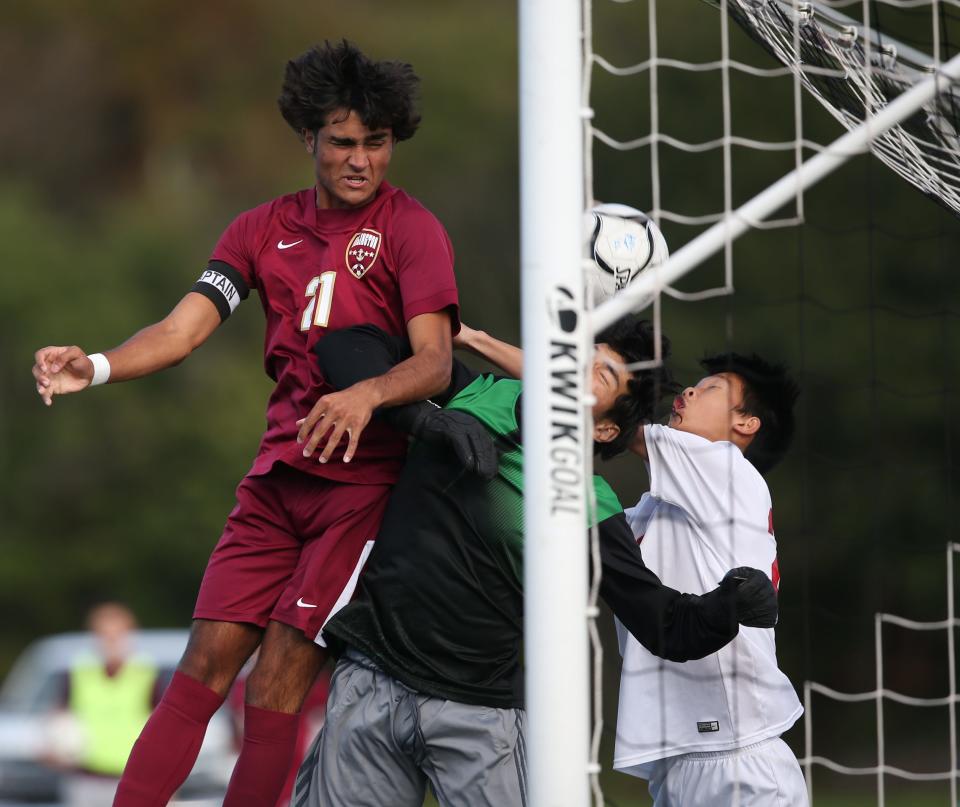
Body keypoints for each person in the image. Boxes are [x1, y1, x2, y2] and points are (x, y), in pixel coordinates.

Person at [30, 40, 459, 807]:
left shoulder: (412, 230)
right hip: (275, 480)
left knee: (277, 683)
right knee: (201, 667)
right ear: (309, 139)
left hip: (361, 493)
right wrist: (92, 365)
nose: (360, 160)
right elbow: (181, 330)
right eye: (342, 143)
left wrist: (366, 396)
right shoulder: (260, 229)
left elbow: (435, 362)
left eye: (376, 143)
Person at [292, 320, 780, 807]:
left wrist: (728, 605)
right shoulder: (476, 392)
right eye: (575, 358)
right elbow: (346, 344)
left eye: (600, 374)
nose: (572, 373)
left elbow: (665, 624)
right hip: (370, 681)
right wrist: (421, 418)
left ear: (607, 427)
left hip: (478, 718)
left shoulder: (591, 508)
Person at [614, 354, 807, 806]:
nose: (689, 392)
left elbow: (610, 417)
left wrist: (472, 343)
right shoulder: (650, 512)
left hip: (740, 759)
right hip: (678, 764)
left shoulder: (726, 467)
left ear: (746, 423)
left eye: (712, 388)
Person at [56, 604, 159, 807]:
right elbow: (60, 717)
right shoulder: (79, 671)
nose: (111, 641)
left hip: (131, 776)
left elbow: (161, 723)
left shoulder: (146, 672)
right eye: (105, 635)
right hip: (86, 777)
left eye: (117, 634)